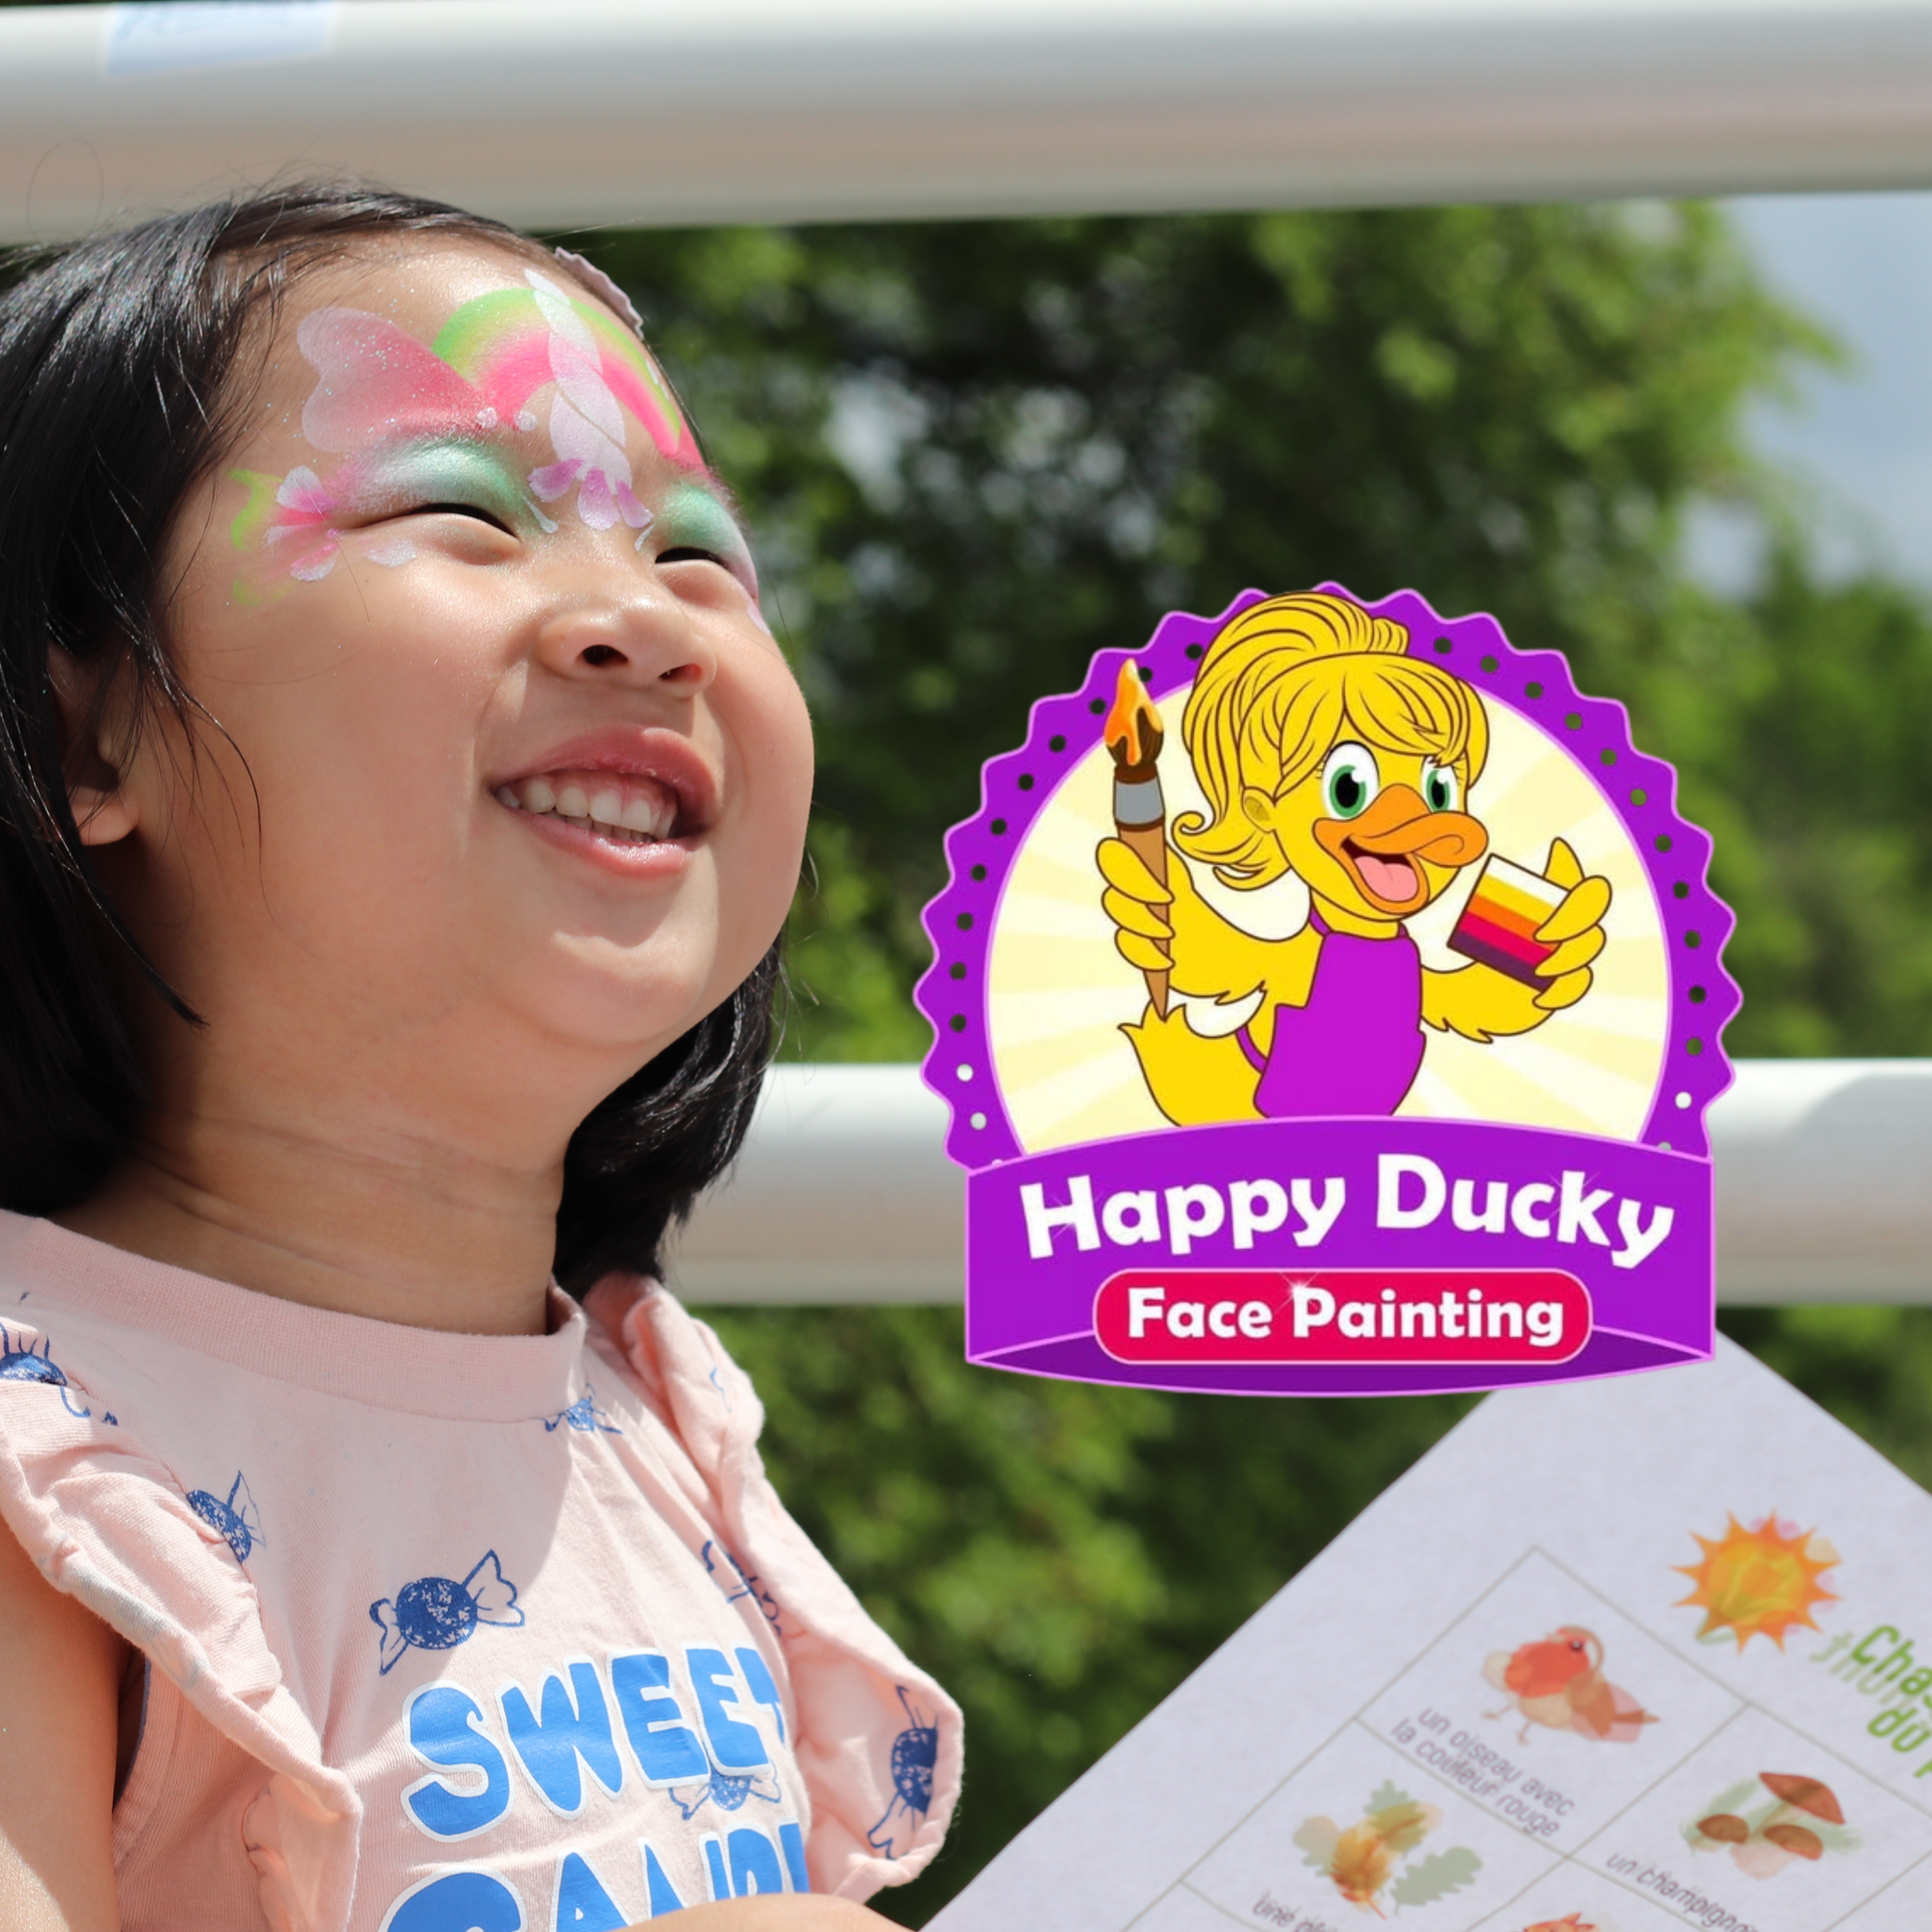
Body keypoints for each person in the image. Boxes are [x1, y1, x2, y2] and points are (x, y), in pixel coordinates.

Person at [0, 181, 957, 1932]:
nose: (641, 619)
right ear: (86, 728)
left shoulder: (663, 1429)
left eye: (696, 555)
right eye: (461, 509)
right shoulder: (35, 1458)